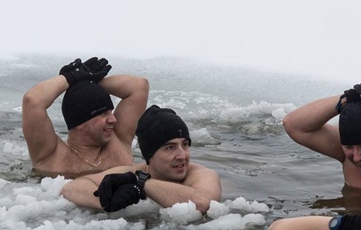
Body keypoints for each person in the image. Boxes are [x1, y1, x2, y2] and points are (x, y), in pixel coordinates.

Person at [60, 105, 221, 214]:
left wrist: (141, 183)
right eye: (170, 147)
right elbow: (72, 188)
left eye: (185, 145)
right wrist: (105, 201)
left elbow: (204, 203)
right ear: (149, 155)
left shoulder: (201, 175)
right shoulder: (132, 172)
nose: (182, 155)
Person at [21, 57, 150, 177]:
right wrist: (68, 78)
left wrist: (86, 81)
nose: (113, 119)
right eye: (103, 113)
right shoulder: (50, 156)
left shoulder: (120, 140)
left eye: (111, 112)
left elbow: (139, 86)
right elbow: (32, 101)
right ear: (80, 123)